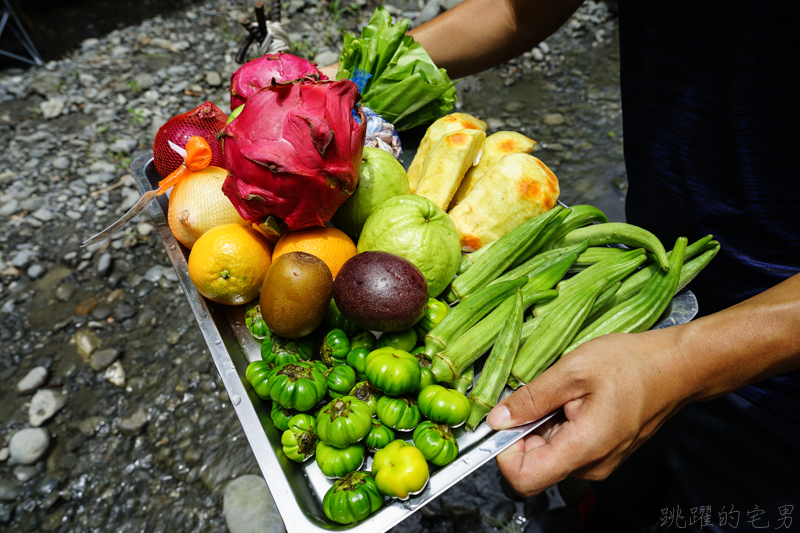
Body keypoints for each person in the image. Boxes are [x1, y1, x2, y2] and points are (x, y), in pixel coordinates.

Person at [326, 1, 800, 530]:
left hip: (779, 371)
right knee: (610, 496)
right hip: (641, 282)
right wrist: (342, 88)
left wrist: (679, 362)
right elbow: (516, 10)